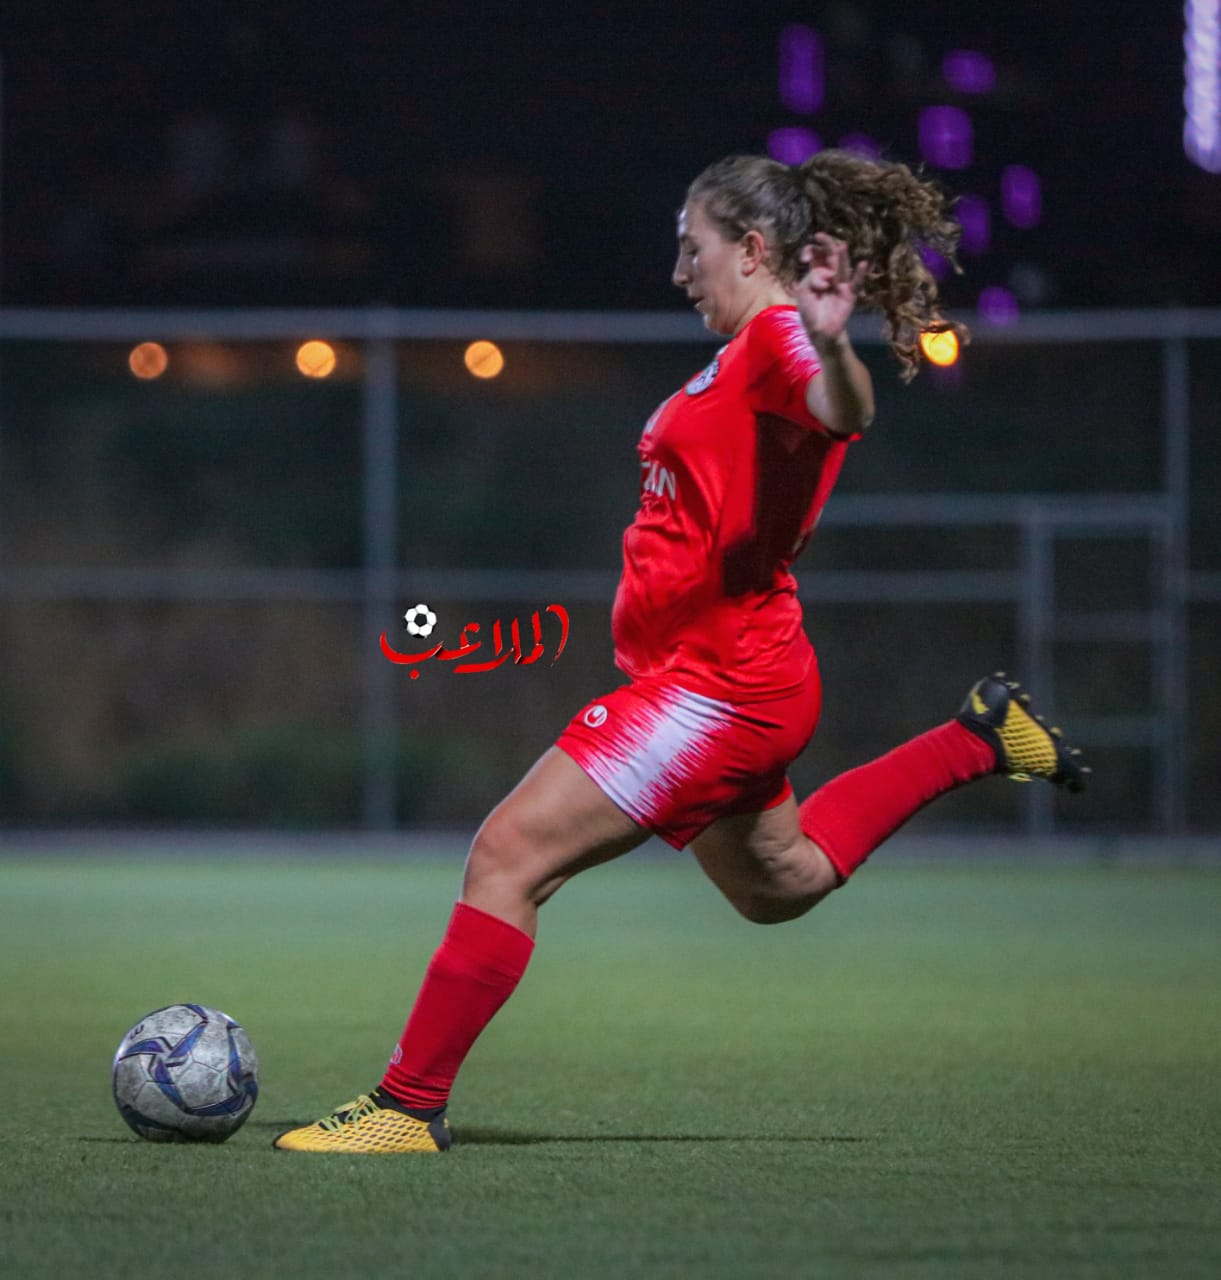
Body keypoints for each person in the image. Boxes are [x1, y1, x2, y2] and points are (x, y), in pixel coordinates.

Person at [273, 150, 1088, 1155]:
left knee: (508, 855)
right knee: (781, 882)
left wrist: (832, 345)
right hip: (739, 676)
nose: (677, 272)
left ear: (749, 248)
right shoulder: (746, 350)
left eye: (689, 248)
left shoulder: (781, 341)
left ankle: (405, 1107)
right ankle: (979, 738)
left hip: (716, 689)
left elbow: (845, 408)